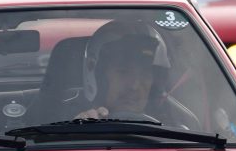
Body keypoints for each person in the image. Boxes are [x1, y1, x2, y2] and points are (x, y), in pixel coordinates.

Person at [70, 21, 200, 130]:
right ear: (97, 77)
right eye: (123, 72)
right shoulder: (64, 119)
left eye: (145, 74)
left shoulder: (181, 127)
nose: (135, 85)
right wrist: (78, 132)